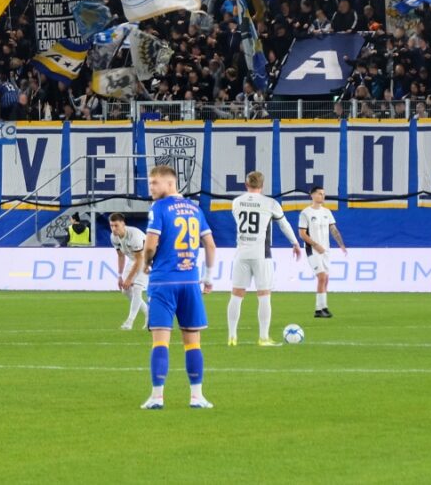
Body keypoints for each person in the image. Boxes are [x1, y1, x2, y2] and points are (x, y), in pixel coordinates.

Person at [140, 164, 217, 410]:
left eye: (154, 183)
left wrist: (146, 263)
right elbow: (210, 245)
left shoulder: (159, 208)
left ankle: (157, 397)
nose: (150, 187)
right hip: (190, 282)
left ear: (170, 183)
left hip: (164, 282)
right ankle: (197, 397)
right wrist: (208, 277)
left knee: (160, 341)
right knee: (192, 341)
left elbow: (150, 245)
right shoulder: (195, 209)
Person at [226, 170, 301, 347]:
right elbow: (284, 224)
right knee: (264, 295)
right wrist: (295, 243)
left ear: (246, 184)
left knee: (236, 295)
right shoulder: (270, 203)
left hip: (241, 253)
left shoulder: (236, 202)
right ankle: (263, 337)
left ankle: (232, 336)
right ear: (262, 185)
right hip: (262, 254)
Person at [297, 186, 347, 319]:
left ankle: (319, 309)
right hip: (312, 249)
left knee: (326, 279)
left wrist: (341, 244)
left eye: (323, 194)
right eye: (319, 194)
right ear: (312, 195)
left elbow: (334, 230)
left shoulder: (327, 212)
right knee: (322, 277)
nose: (322, 196)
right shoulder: (305, 213)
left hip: (326, 250)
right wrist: (315, 245)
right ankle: (322, 308)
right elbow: (302, 233)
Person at [109, 213, 148, 331]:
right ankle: (149, 313)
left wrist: (130, 279)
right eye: (111, 226)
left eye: (116, 226)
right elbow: (121, 256)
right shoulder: (113, 237)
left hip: (147, 259)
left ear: (123, 224)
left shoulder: (134, 235)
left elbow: (140, 259)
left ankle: (129, 322)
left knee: (137, 288)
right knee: (125, 291)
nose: (114, 229)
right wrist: (120, 276)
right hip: (133, 259)